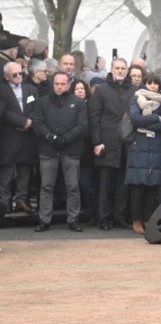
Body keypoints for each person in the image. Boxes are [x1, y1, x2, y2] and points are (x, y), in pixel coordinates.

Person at [30, 71, 88, 231]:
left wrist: (66, 138)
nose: (60, 87)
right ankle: (44, 220)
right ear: (52, 84)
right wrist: (52, 137)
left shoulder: (78, 103)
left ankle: (73, 219)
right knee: (46, 186)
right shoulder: (42, 102)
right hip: (48, 150)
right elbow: (37, 123)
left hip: (71, 150)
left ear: (69, 84)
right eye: (57, 83)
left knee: (73, 187)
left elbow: (82, 126)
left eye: (63, 84)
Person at [89, 57, 134, 229]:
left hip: (128, 143)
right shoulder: (101, 90)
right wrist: (97, 141)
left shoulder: (135, 90)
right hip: (107, 143)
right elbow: (94, 118)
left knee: (123, 184)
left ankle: (119, 216)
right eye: (117, 68)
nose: (120, 71)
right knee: (105, 184)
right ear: (111, 69)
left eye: (123, 68)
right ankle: (104, 218)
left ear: (127, 70)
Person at [124, 73, 161, 233]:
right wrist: (155, 118)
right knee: (138, 185)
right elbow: (135, 119)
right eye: (149, 83)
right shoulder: (136, 98)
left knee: (153, 186)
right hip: (139, 146)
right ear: (145, 84)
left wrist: (149, 124)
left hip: (156, 146)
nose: (152, 86)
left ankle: (148, 219)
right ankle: (136, 220)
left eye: (155, 84)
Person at [0, 60, 38, 217]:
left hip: (27, 137)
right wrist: (22, 121)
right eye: (14, 74)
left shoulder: (31, 89)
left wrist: (31, 121)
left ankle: (22, 201)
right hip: (10, 137)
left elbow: (37, 108)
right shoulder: (2, 90)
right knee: (7, 173)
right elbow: (4, 112)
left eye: (20, 73)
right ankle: (4, 202)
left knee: (25, 171)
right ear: (6, 76)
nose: (18, 77)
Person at [70, 79, 98, 224]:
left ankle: (93, 213)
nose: (80, 91)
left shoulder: (91, 106)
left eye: (82, 88)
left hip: (87, 152)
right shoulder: (69, 106)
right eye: (77, 89)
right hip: (71, 150)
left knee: (86, 184)